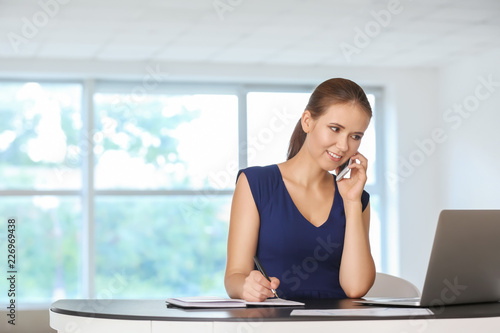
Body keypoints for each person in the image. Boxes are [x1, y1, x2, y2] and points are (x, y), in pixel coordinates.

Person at [224, 78, 376, 301]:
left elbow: (355, 289)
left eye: (355, 136)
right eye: (335, 129)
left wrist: (352, 203)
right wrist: (246, 287)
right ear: (308, 121)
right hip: (275, 324)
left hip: (339, 325)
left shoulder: (357, 198)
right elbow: (234, 277)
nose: (344, 146)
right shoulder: (256, 183)